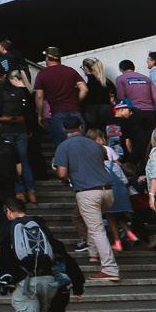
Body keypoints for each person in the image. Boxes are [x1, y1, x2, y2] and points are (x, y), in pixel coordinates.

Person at [51, 114, 121, 281]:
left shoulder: (63, 146)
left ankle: (110, 268)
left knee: (97, 229)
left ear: (64, 130)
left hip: (87, 192)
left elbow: (62, 173)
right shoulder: (95, 144)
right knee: (93, 221)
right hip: (108, 191)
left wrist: (64, 178)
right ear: (81, 128)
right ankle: (93, 252)